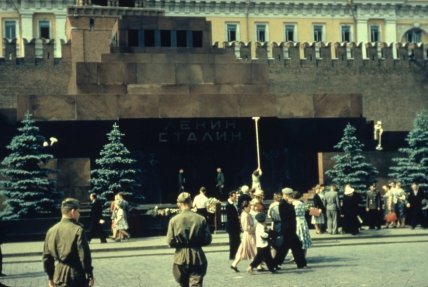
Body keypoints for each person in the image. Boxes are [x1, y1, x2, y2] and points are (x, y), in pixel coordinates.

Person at [43, 198, 94, 287]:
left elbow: (47, 258)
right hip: (76, 275)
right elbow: (84, 255)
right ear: (73, 212)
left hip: (58, 275)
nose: (79, 214)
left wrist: (50, 278)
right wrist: (89, 274)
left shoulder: (51, 230)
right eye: (78, 211)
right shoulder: (78, 229)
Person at [166, 192, 212, 287]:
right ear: (191, 202)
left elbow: (170, 241)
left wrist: (180, 243)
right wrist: (197, 242)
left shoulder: (173, 220)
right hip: (197, 256)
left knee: (183, 284)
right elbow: (208, 239)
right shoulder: (201, 219)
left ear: (179, 204)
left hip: (180, 257)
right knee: (196, 284)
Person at [274, 187, 306, 269]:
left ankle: (301, 263)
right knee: (287, 248)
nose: (291, 196)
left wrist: (290, 204)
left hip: (290, 228)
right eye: (290, 195)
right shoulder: (282, 204)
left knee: (294, 246)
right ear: (286, 195)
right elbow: (286, 215)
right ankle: (275, 264)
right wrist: (290, 205)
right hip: (287, 229)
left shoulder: (287, 203)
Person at [230, 200, 256, 272]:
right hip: (249, 235)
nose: (250, 207)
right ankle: (254, 266)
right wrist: (255, 228)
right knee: (254, 250)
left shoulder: (247, 214)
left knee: (243, 250)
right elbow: (246, 227)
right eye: (249, 206)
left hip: (249, 235)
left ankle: (234, 264)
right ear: (245, 207)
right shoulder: (245, 215)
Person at [290, 191, 312, 260]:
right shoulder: (302, 204)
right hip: (303, 221)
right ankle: (303, 256)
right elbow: (307, 210)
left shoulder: (292, 204)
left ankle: (295, 256)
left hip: (295, 221)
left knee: (296, 238)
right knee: (304, 239)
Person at [225, 190, 241, 260]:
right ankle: (232, 255)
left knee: (237, 240)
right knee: (233, 241)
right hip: (232, 226)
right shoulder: (228, 204)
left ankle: (237, 254)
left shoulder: (233, 203)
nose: (236, 198)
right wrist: (238, 217)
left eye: (236, 197)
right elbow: (230, 216)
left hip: (235, 225)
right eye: (234, 197)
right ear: (231, 196)